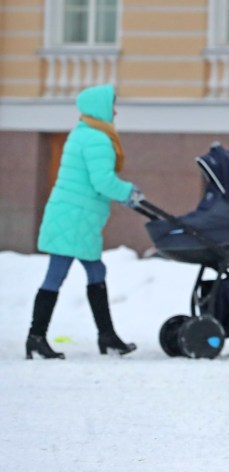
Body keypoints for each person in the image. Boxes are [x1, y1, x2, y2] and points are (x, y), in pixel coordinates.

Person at [28, 84, 142, 359]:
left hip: (73, 215)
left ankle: (106, 336)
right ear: (100, 107)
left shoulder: (82, 133)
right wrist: (129, 193)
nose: (115, 111)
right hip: (75, 218)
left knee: (94, 271)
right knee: (57, 274)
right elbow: (102, 181)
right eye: (112, 105)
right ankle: (37, 337)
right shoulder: (97, 139)